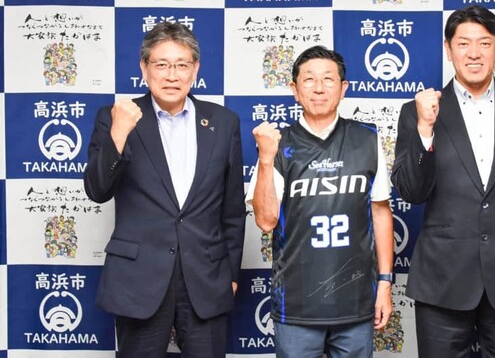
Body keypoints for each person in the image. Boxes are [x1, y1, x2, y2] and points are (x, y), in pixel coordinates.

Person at [391, 5, 495, 358]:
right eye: (463, 43)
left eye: (484, 43)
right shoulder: (417, 111)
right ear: (448, 49)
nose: (474, 53)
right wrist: (425, 130)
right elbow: (412, 192)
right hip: (442, 280)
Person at [84, 21, 246, 358]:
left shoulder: (223, 122)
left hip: (206, 278)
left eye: (181, 65)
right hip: (139, 280)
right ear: (144, 68)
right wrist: (118, 134)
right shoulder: (115, 118)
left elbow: (232, 208)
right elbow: (97, 190)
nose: (172, 75)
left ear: (195, 69)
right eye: (161, 64)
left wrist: (230, 274)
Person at [246, 45, 394, 358]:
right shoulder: (278, 144)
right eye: (309, 79)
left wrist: (384, 282)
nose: (318, 88)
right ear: (294, 89)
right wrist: (266, 159)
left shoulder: (367, 139)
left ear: (343, 88)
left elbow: (380, 213)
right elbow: (266, 220)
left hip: (356, 300)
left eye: (328, 79)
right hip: (296, 303)